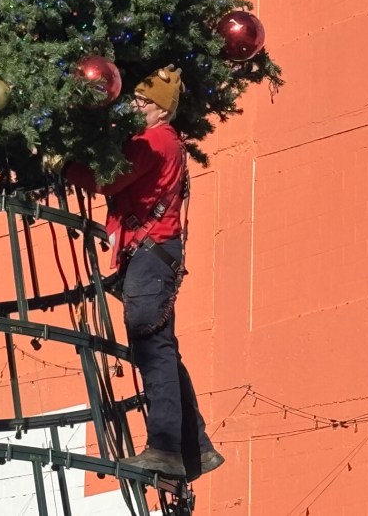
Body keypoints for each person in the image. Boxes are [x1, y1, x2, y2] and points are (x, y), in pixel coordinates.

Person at [62, 65, 224, 481]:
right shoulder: (168, 141)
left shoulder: (154, 140)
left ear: (161, 109)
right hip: (157, 254)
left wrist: (65, 166)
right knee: (163, 350)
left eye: (143, 101)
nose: (135, 106)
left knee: (153, 351)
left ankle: (166, 448)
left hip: (151, 257)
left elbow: (109, 181)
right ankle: (197, 447)